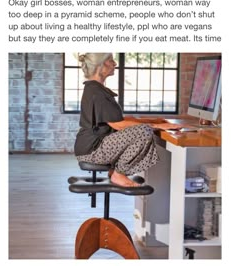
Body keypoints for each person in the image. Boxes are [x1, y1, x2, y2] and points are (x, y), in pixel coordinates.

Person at [74, 53, 180, 187]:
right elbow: (119, 125)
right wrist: (155, 126)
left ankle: (115, 171)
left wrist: (156, 121)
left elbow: (121, 119)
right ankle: (119, 174)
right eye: (110, 60)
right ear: (101, 66)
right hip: (92, 150)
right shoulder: (96, 91)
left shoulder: (96, 89)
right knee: (144, 132)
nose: (115, 63)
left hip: (92, 146)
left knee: (144, 128)